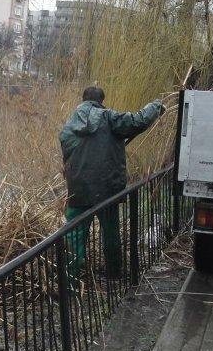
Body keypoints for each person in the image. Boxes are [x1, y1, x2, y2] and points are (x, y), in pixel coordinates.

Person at [59, 87, 164, 280]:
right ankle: (114, 274)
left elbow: (68, 156)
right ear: (101, 101)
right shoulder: (108, 117)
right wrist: (155, 107)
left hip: (78, 191)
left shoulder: (69, 124)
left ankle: (70, 279)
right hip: (107, 191)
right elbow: (137, 121)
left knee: (74, 236)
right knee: (111, 235)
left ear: (83, 100)